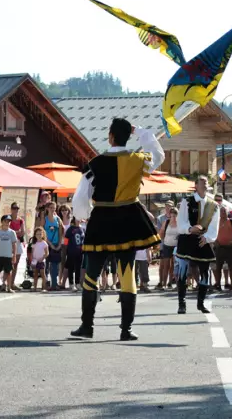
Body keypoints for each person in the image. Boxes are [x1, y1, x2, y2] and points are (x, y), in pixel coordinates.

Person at [69, 118, 164, 341]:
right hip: (129, 220)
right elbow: (159, 155)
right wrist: (140, 131)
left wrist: (83, 216)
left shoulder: (95, 163)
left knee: (91, 275)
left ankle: (87, 326)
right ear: (127, 135)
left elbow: (81, 196)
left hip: (101, 219)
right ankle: (125, 330)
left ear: (110, 136)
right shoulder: (138, 160)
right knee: (127, 275)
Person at [175, 176, 220, 313]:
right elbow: (180, 221)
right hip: (187, 238)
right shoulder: (186, 201)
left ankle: (201, 303)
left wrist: (207, 237)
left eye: (206, 182)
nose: (205, 184)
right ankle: (181, 304)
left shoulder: (213, 205)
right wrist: (189, 229)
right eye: (202, 181)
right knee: (182, 272)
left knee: (205, 272)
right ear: (195, 185)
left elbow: (214, 225)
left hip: (202, 240)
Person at [0, 215, 19, 293]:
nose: (7, 223)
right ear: (2, 222)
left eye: (8, 221)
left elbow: (14, 244)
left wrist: (14, 255)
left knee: (8, 272)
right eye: (5, 221)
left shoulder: (12, 232)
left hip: (8, 255)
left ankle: (9, 287)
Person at [214, 205, 232, 291]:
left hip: (230, 248)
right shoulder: (216, 222)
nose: (223, 212)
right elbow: (213, 233)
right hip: (219, 248)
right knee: (218, 267)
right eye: (221, 211)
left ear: (228, 212)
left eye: (224, 211)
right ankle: (218, 284)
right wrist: (215, 241)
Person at [157, 208, 179, 290]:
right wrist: (163, 241)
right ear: (169, 215)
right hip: (166, 246)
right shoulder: (166, 222)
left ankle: (172, 283)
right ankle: (164, 284)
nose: (173, 216)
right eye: (172, 214)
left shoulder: (179, 223)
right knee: (166, 265)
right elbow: (161, 233)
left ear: (177, 215)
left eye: (175, 214)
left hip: (176, 247)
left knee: (174, 265)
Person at [7, 202, 26, 290]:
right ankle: (7, 283)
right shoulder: (8, 219)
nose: (16, 210)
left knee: (15, 263)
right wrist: (16, 232)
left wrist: (15, 232)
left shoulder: (20, 220)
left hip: (17, 242)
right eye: (14, 208)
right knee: (8, 263)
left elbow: (22, 232)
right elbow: (6, 230)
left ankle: (12, 283)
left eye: (17, 208)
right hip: (8, 242)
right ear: (11, 209)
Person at [64, 217, 85, 292]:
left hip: (80, 251)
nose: (79, 220)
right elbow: (66, 239)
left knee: (78, 268)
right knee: (71, 268)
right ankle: (71, 284)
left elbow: (83, 239)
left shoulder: (82, 228)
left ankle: (77, 283)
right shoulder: (70, 229)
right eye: (77, 218)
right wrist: (66, 249)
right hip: (71, 251)